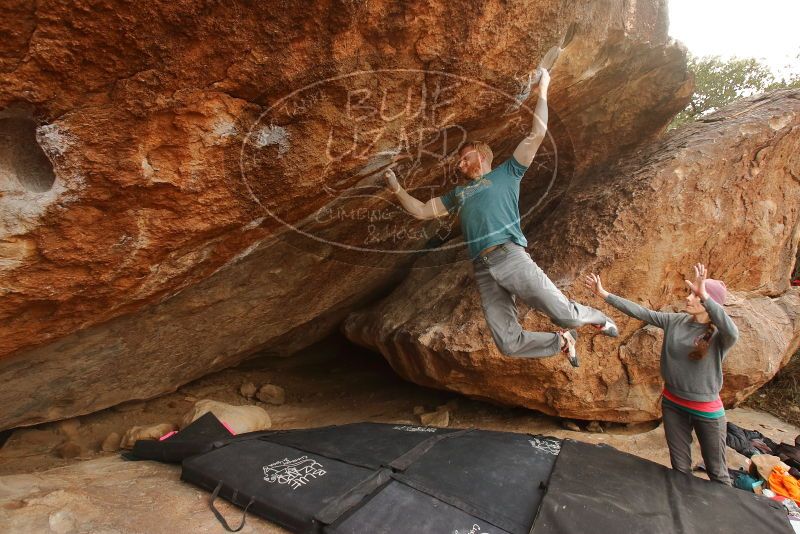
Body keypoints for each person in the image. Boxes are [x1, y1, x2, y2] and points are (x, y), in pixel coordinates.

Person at [385, 68, 618, 367]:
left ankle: (597, 317)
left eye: (464, 157)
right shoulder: (458, 194)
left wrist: (543, 88)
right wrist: (396, 188)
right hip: (482, 269)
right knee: (507, 342)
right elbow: (420, 210)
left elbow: (537, 134)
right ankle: (560, 341)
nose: (460, 164)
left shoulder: (508, 173)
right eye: (459, 161)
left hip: (511, 257)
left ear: (481, 156)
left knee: (564, 314)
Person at [583, 263, 739, 485]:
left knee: (717, 473)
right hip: (673, 404)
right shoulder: (675, 321)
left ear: (708, 303)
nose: (688, 299)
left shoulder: (720, 336)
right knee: (680, 469)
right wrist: (604, 294)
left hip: (707, 411)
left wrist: (705, 294)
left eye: (695, 296)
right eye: (690, 293)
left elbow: (733, 331)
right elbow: (641, 312)